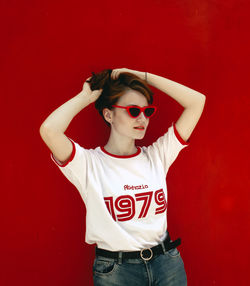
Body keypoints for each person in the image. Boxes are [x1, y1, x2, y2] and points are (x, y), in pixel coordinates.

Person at [39, 68, 206, 286]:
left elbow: (197, 102)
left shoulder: (157, 156)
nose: (143, 118)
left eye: (147, 111)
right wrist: (86, 97)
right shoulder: (89, 164)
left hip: (167, 265)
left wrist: (143, 76)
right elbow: (50, 130)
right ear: (109, 114)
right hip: (117, 272)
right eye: (133, 111)